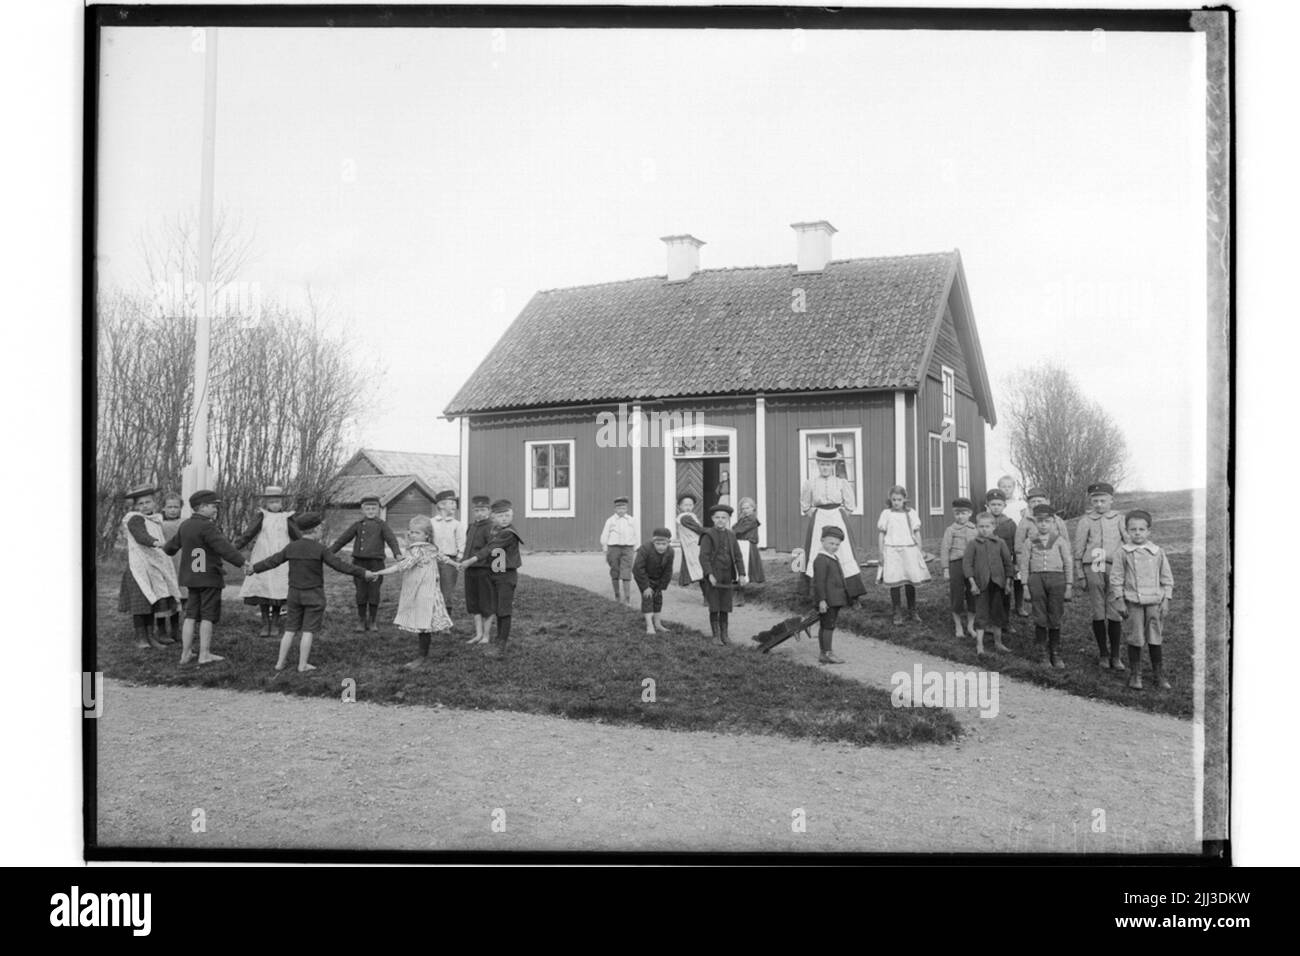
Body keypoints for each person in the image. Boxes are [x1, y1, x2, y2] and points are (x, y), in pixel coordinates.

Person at [249, 512, 375, 673]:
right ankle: (302, 665)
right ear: (315, 530)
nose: (322, 530)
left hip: (294, 594)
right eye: (321, 528)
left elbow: (272, 561)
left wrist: (254, 568)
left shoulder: (291, 547)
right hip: (314, 595)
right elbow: (341, 565)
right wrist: (364, 573)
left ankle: (280, 663)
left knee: (290, 630)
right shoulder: (320, 549)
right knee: (307, 631)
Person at [162, 489, 251, 665]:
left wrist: (165, 546)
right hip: (209, 578)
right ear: (201, 507)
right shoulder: (208, 526)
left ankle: (185, 654)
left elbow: (169, 548)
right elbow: (224, 548)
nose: (216, 509)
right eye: (213, 506)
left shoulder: (185, 525)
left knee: (190, 615)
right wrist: (243, 563)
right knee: (208, 616)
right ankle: (204, 654)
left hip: (191, 579)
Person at [372, 515, 454, 669]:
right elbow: (443, 557)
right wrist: (456, 563)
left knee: (423, 623)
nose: (411, 534)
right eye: (410, 531)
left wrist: (380, 572)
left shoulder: (418, 550)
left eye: (416, 532)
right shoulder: (429, 548)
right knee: (425, 623)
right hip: (427, 591)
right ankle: (423, 652)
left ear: (426, 535)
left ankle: (422, 656)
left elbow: (402, 566)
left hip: (423, 592)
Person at [1109, 510, 1174, 690]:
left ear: (1148, 531)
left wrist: (1166, 599)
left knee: (1155, 637)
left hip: (1154, 602)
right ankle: (1135, 674)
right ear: (1127, 531)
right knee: (1135, 638)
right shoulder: (1122, 552)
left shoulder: (1157, 552)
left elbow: (1167, 578)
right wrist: (1120, 599)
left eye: (1141, 529)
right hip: (1133, 602)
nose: (1137, 533)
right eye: (1133, 529)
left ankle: (1158, 674)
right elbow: (1116, 578)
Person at [1073, 481, 1130, 671]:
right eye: (1095, 501)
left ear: (1111, 500)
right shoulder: (1086, 520)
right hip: (1094, 565)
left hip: (1114, 566)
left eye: (1102, 500)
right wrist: (1080, 573)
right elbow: (1079, 548)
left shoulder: (1119, 519)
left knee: (1114, 611)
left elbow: (1129, 542)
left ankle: (1116, 655)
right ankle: (1103, 654)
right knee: (1098, 610)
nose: (1099, 504)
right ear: (1091, 501)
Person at [118, 484, 181, 650]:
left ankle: (151, 636)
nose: (144, 506)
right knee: (140, 605)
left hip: (152, 568)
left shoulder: (155, 520)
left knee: (150, 603)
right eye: (140, 503)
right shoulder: (134, 518)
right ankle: (141, 637)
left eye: (148, 502)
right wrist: (155, 542)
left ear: (154, 503)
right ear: (135, 507)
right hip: (138, 568)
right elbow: (140, 536)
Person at [799, 449, 867, 602]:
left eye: (828, 464)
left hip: (837, 516)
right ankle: (818, 594)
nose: (825, 468)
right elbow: (805, 505)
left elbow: (850, 505)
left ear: (834, 465)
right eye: (822, 464)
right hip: (819, 518)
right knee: (818, 549)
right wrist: (817, 515)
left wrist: (839, 515)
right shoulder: (811, 483)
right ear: (817, 464)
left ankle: (852, 595)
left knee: (843, 551)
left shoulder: (841, 482)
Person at [234, 484, 301, 638]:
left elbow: (298, 537)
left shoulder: (287, 518)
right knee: (263, 587)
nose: (275, 505)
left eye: (277, 502)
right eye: (271, 502)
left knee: (278, 588)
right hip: (263, 555)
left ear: (282, 503)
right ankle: (265, 623)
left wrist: (307, 549)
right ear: (266, 503)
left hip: (281, 558)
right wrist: (234, 548)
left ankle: (276, 622)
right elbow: (248, 534)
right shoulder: (262, 516)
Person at [459, 499, 524, 658]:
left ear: (512, 515)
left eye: (507, 515)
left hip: (506, 576)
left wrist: (471, 560)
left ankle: (501, 644)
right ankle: (498, 640)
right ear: (493, 516)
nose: (504, 519)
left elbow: (490, 548)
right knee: (497, 608)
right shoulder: (495, 530)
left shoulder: (508, 533)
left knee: (504, 610)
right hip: (495, 574)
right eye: (500, 516)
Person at [330, 494, 402, 633]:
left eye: (373, 508)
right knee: (361, 592)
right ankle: (361, 620)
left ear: (378, 510)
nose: (370, 511)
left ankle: (373, 620)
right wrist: (329, 553)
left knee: (374, 592)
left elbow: (391, 540)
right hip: (359, 564)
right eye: (367, 508)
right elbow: (342, 539)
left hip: (376, 564)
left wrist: (397, 553)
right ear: (362, 510)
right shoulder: (357, 525)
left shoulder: (382, 525)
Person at [1018, 503, 1074, 668]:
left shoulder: (1060, 541)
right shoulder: (1030, 541)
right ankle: (1042, 652)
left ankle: (1055, 652)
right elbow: (1024, 565)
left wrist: (1069, 585)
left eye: (1047, 521)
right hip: (1036, 580)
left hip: (1057, 580)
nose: (1043, 524)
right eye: (1040, 521)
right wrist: (1025, 586)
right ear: (1035, 522)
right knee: (1040, 615)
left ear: (1053, 522)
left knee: (1055, 615)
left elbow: (1068, 563)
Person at [962, 511, 1015, 656]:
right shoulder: (973, 544)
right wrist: (972, 583)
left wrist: (1008, 583)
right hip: (980, 585)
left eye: (987, 526)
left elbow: (1008, 564)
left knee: (998, 614)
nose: (984, 529)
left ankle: (998, 642)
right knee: (981, 614)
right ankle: (980, 645)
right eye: (981, 526)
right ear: (977, 527)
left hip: (998, 584)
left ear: (993, 527)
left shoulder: (1000, 543)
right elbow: (967, 564)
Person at [877, 484, 931, 625]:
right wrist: (881, 552)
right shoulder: (886, 514)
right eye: (894, 499)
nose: (896, 502)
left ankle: (912, 610)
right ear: (890, 499)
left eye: (899, 499)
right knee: (895, 581)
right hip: (892, 550)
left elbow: (916, 532)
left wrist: (919, 549)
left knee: (910, 580)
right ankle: (897, 611)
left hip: (909, 550)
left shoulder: (911, 513)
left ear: (904, 499)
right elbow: (882, 534)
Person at [1014, 486, 1069, 620]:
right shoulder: (1025, 521)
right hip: (1035, 568)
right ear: (1028, 504)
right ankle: (1040, 625)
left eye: (1039, 501)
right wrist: (1023, 567)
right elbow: (1019, 546)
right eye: (1033, 502)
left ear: (1047, 501)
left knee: (1054, 601)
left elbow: (1065, 544)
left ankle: (1054, 623)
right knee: (1038, 599)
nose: (1036, 504)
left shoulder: (1057, 521)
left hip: (1054, 568)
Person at [698, 503, 747, 646]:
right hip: (714, 575)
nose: (720, 520)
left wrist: (742, 574)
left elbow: (738, 556)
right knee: (715, 605)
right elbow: (704, 557)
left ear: (728, 519)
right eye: (717, 517)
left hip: (727, 575)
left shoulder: (731, 536)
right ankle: (716, 636)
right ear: (713, 519)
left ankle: (725, 635)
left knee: (725, 605)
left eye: (724, 518)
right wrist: (709, 575)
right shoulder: (708, 535)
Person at [939, 497, 978, 639]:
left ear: (970, 513)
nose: (960, 516)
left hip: (973, 566)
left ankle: (970, 625)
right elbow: (945, 549)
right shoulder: (950, 530)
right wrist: (946, 569)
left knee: (973, 595)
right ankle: (958, 625)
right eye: (957, 513)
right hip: (956, 565)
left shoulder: (975, 529)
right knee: (957, 595)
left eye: (963, 513)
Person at [812, 527, 849, 665]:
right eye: (831, 543)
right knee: (828, 625)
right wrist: (822, 600)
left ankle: (824, 653)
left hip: (835, 599)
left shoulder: (832, 557)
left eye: (837, 544)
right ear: (822, 541)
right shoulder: (821, 559)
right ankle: (827, 653)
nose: (834, 547)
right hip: (828, 600)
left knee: (828, 624)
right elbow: (819, 582)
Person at [460, 495, 495, 645]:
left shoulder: (491, 527)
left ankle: (486, 635)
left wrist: (473, 559)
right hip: (470, 570)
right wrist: (463, 561)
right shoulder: (472, 526)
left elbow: (489, 549)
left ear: (488, 511)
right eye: (476, 510)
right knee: (474, 604)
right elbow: (468, 547)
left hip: (484, 570)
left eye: (482, 510)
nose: (479, 513)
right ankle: (478, 634)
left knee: (487, 604)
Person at [985, 489, 1021, 628]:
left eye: (999, 504)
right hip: (986, 564)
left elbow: (1016, 545)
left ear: (1004, 505)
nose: (996, 507)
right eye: (993, 504)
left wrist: (1016, 563)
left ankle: (1005, 622)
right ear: (987, 505)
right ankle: (988, 622)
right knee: (987, 593)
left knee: (1005, 593)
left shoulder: (1010, 524)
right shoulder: (982, 521)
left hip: (1004, 565)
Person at [632, 528, 676, 635]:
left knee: (658, 599)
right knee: (648, 598)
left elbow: (668, 570)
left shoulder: (670, 552)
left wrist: (661, 586)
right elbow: (638, 569)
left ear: (668, 543)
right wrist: (646, 587)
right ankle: (649, 625)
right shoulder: (645, 549)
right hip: (645, 577)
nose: (661, 546)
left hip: (658, 579)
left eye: (664, 544)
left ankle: (657, 624)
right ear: (653, 542)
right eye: (658, 543)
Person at [157, 491, 187, 643]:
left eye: (176, 507)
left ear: (181, 508)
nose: (173, 510)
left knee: (177, 597)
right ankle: (161, 630)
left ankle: (176, 630)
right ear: (163, 508)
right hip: (163, 563)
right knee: (162, 597)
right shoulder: (158, 524)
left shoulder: (184, 523)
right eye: (169, 507)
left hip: (180, 562)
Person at [600, 495, 640, 604]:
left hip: (628, 548)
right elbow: (605, 534)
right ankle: (617, 595)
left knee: (626, 571)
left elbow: (637, 533)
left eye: (623, 508)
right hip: (613, 548)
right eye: (618, 508)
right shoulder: (610, 521)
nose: (621, 510)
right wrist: (605, 546)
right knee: (615, 570)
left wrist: (636, 547)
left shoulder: (631, 520)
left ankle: (627, 598)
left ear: (627, 509)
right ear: (615, 509)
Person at [430, 489, 465, 612]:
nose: (454, 506)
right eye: (451, 503)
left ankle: (446, 623)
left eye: (455, 503)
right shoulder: (431, 523)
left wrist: (459, 558)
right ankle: (431, 620)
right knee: (431, 590)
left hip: (450, 562)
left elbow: (461, 543)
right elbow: (429, 542)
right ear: (441, 505)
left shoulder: (457, 524)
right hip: (432, 561)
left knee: (447, 591)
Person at [674, 494, 709, 600]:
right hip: (692, 547)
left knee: (701, 570)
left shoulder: (692, 516)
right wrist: (713, 532)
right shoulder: (684, 518)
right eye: (685, 505)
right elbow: (698, 529)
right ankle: (707, 597)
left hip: (696, 545)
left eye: (690, 505)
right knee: (701, 569)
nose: (688, 507)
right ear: (680, 506)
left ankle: (707, 596)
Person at [732, 497, 764, 607]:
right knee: (738, 568)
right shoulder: (743, 519)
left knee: (743, 568)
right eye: (743, 508)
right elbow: (735, 528)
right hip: (741, 544)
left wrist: (731, 532)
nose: (745, 510)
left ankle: (740, 596)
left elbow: (738, 530)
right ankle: (737, 594)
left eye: (748, 507)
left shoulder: (751, 520)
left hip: (747, 546)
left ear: (753, 508)